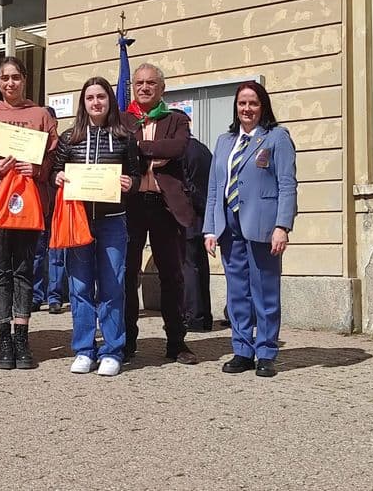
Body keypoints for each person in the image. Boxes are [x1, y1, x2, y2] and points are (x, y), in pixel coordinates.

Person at [0, 56, 58, 370]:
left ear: (25, 79)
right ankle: (3, 337)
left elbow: (55, 158)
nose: (11, 83)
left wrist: (38, 169)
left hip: (28, 201)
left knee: (24, 269)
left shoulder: (40, 115)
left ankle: (22, 336)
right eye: (4, 78)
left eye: (16, 77)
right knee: (0, 270)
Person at [203, 81, 297, 378]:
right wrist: (210, 229)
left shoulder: (276, 137)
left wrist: (282, 226)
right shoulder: (224, 141)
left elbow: (287, 184)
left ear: (263, 106)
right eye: (242, 103)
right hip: (229, 224)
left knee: (264, 291)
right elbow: (215, 188)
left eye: (253, 103)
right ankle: (242, 350)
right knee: (237, 293)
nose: (247, 109)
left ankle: (266, 352)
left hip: (262, 224)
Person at [53, 77, 140, 376]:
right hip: (78, 220)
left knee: (113, 286)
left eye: (101, 97)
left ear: (109, 100)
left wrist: (130, 183)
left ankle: (112, 350)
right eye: (90, 98)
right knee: (79, 287)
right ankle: (84, 349)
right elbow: (55, 170)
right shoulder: (69, 137)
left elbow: (136, 176)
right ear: (83, 103)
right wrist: (57, 177)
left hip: (112, 221)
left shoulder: (125, 137)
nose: (96, 102)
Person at [121, 63, 197, 365]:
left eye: (151, 83)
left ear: (162, 88)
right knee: (127, 275)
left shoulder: (176, 119)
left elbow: (178, 147)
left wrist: (138, 148)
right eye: (139, 82)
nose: (144, 87)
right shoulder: (122, 120)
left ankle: (176, 342)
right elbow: (119, 153)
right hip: (131, 205)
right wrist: (153, 151)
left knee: (172, 276)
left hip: (166, 207)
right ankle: (127, 341)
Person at [32, 106, 66, 315]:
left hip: (58, 206)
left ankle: (55, 297)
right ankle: (35, 296)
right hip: (36, 205)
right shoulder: (32, 146)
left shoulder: (64, 145)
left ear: (55, 123)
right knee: (36, 254)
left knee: (57, 254)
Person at [182, 130, 214, 332]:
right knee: (200, 266)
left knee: (188, 267)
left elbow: (186, 185)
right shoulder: (203, 149)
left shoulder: (183, 150)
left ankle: (193, 316)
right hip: (202, 218)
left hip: (188, 216)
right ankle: (204, 317)